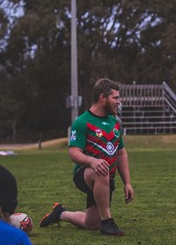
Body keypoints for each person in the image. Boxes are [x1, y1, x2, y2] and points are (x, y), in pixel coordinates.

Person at [39, 78, 134, 236]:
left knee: (91, 224)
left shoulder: (115, 122)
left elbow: (120, 153)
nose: (119, 101)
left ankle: (60, 213)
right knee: (101, 168)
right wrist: (92, 161)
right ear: (103, 98)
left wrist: (127, 183)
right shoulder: (82, 122)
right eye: (115, 98)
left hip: (105, 179)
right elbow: (73, 152)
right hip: (85, 174)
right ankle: (107, 222)